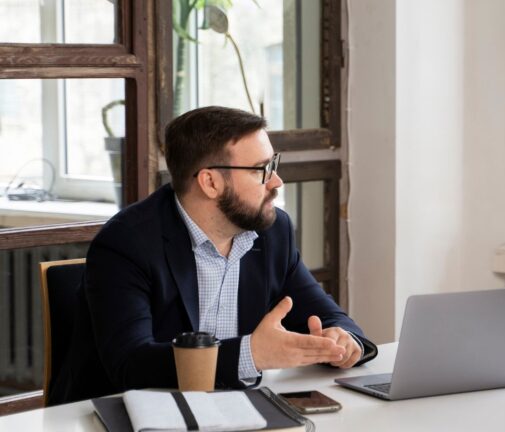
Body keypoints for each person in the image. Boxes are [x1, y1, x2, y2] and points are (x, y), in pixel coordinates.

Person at [50, 106, 377, 405]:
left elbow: (329, 316)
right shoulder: (126, 244)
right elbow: (131, 365)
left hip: (233, 411)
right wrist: (249, 354)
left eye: (273, 164)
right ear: (210, 182)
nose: (276, 181)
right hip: (128, 417)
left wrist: (343, 341)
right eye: (260, 170)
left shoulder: (272, 232)